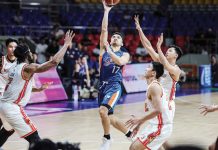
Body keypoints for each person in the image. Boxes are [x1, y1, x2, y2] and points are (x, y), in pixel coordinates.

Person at [0, 30, 75, 146]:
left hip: (3, 106)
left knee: (7, 131)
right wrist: (65, 45)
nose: (32, 53)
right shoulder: (28, 68)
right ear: (26, 54)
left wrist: (38, 89)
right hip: (12, 108)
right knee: (35, 140)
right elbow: (54, 62)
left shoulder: (13, 67)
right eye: (30, 51)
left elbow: (19, 86)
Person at [135, 15, 183, 149]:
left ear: (176, 56)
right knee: (159, 135)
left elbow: (167, 67)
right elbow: (148, 46)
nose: (168, 51)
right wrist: (139, 29)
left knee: (159, 131)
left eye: (170, 51)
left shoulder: (176, 70)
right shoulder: (161, 61)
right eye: (167, 50)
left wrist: (159, 48)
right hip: (156, 98)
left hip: (166, 104)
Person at [98, 1, 131, 150]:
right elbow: (104, 29)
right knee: (110, 118)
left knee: (103, 111)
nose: (115, 38)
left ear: (122, 42)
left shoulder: (124, 53)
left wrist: (109, 51)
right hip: (102, 86)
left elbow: (119, 61)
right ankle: (131, 135)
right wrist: (106, 11)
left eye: (118, 37)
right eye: (114, 37)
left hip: (114, 86)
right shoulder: (103, 50)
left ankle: (106, 138)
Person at [126, 62, 173, 150]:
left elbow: (158, 110)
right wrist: (139, 125)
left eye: (148, 67)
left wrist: (139, 119)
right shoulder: (152, 86)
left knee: (134, 148)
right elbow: (152, 111)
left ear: (153, 73)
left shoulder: (154, 87)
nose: (145, 69)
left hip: (160, 126)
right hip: (156, 125)